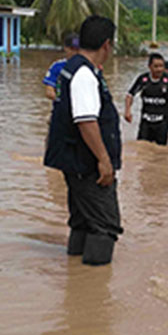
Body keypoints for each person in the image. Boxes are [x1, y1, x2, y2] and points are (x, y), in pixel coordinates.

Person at [43, 16, 123, 266]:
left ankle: (77, 285)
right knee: (105, 225)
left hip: (74, 160)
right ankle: (96, 292)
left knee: (82, 220)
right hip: (86, 164)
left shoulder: (72, 67)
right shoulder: (84, 75)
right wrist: (104, 161)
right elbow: (86, 121)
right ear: (107, 45)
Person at [124, 53, 168, 145]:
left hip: (162, 122)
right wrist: (127, 111)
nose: (159, 69)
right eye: (156, 66)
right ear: (149, 67)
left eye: (161, 66)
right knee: (142, 148)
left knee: (161, 151)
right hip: (146, 122)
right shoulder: (143, 79)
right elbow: (130, 95)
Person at [43, 32, 78, 101]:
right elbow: (49, 91)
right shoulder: (57, 66)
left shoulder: (86, 66)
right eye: (72, 49)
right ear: (66, 48)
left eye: (78, 49)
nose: (75, 52)